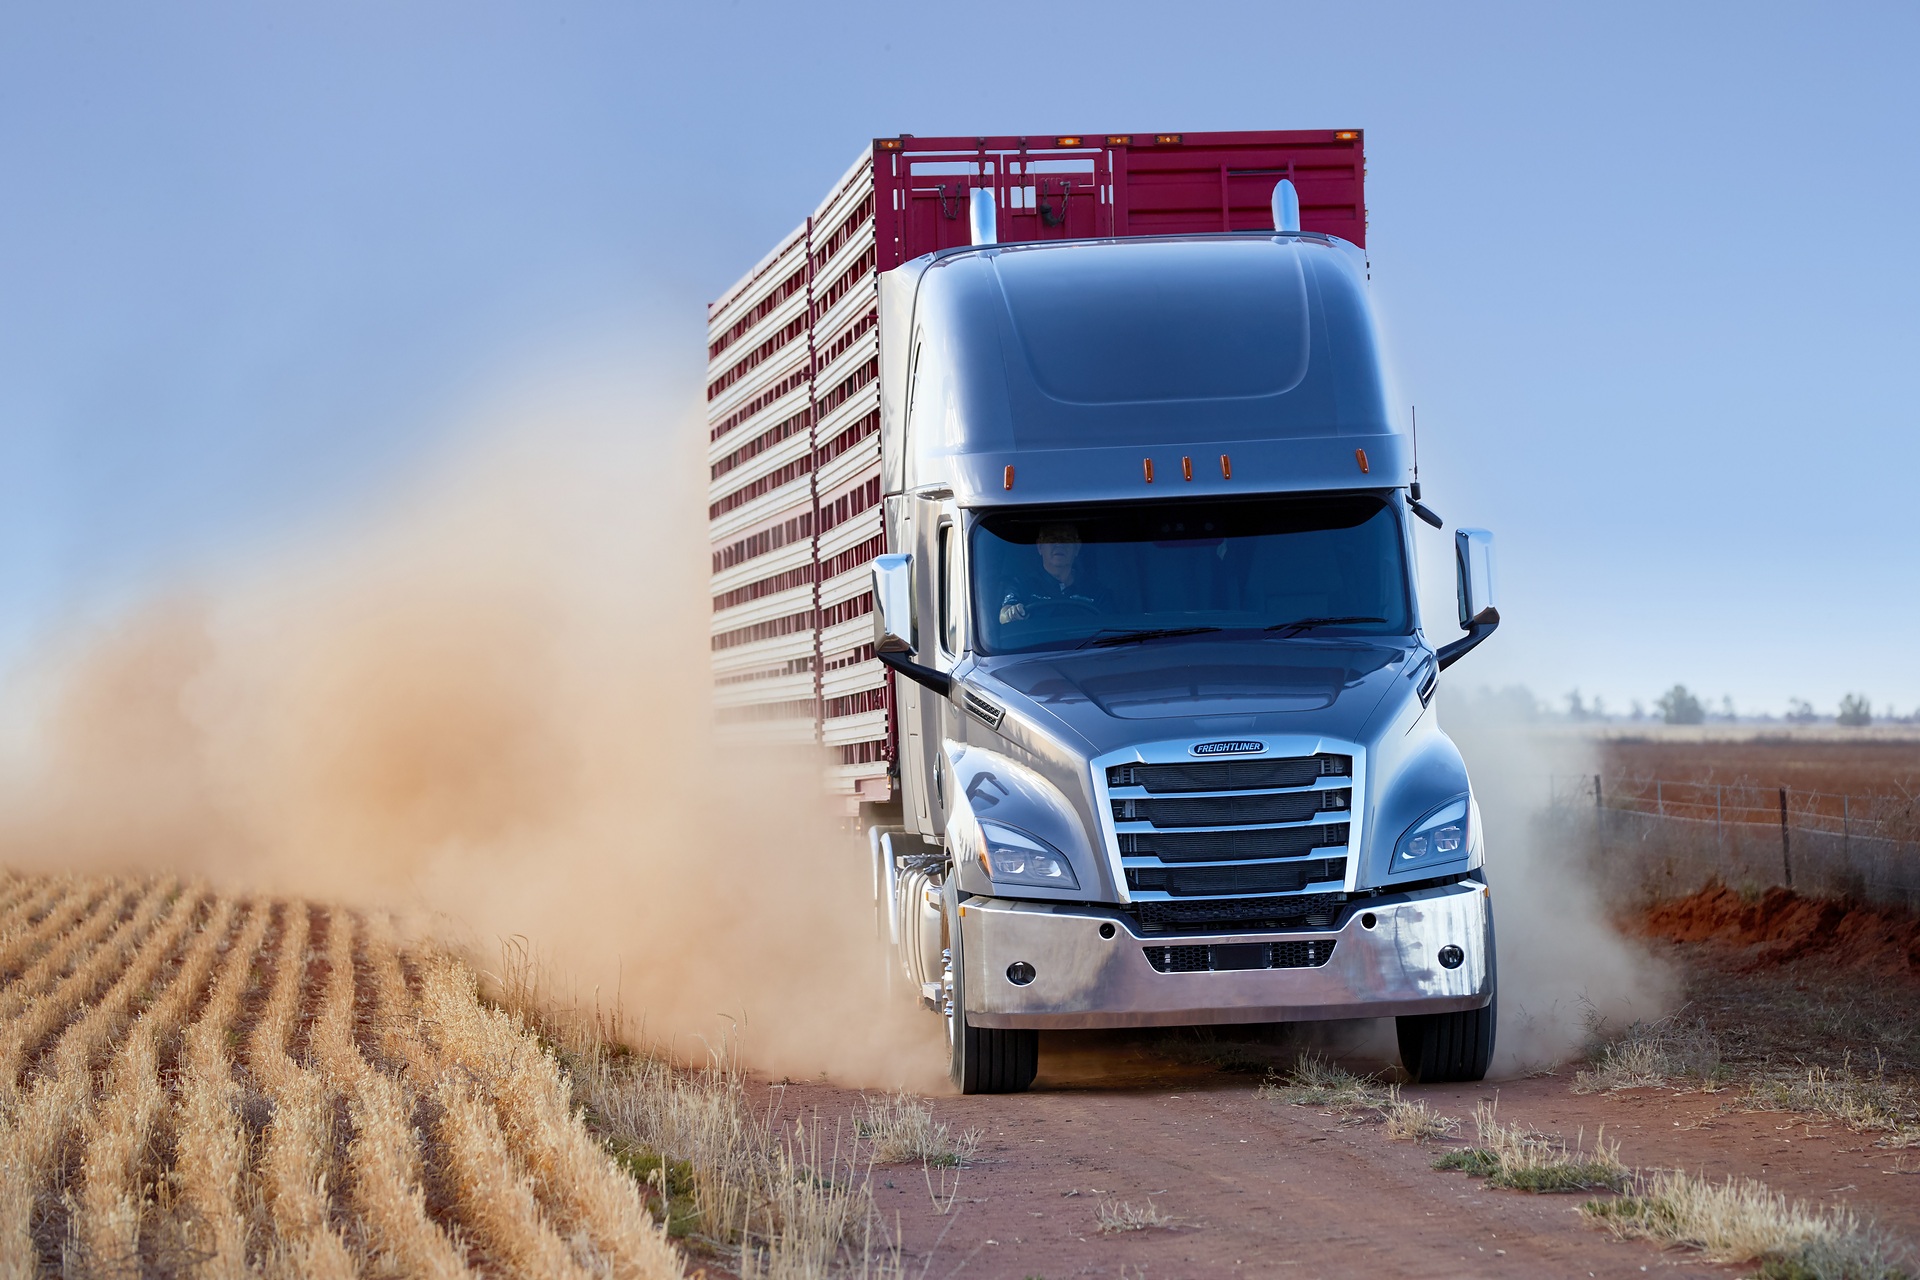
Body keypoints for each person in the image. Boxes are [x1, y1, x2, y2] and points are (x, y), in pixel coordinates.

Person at [998, 523, 1106, 624]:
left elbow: (1112, 624)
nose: (1059, 544)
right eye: (1052, 539)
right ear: (1040, 547)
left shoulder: (1095, 589)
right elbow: (1004, 615)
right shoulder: (1021, 584)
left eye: (1066, 539)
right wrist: (1011, 613)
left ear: (1077, 548)